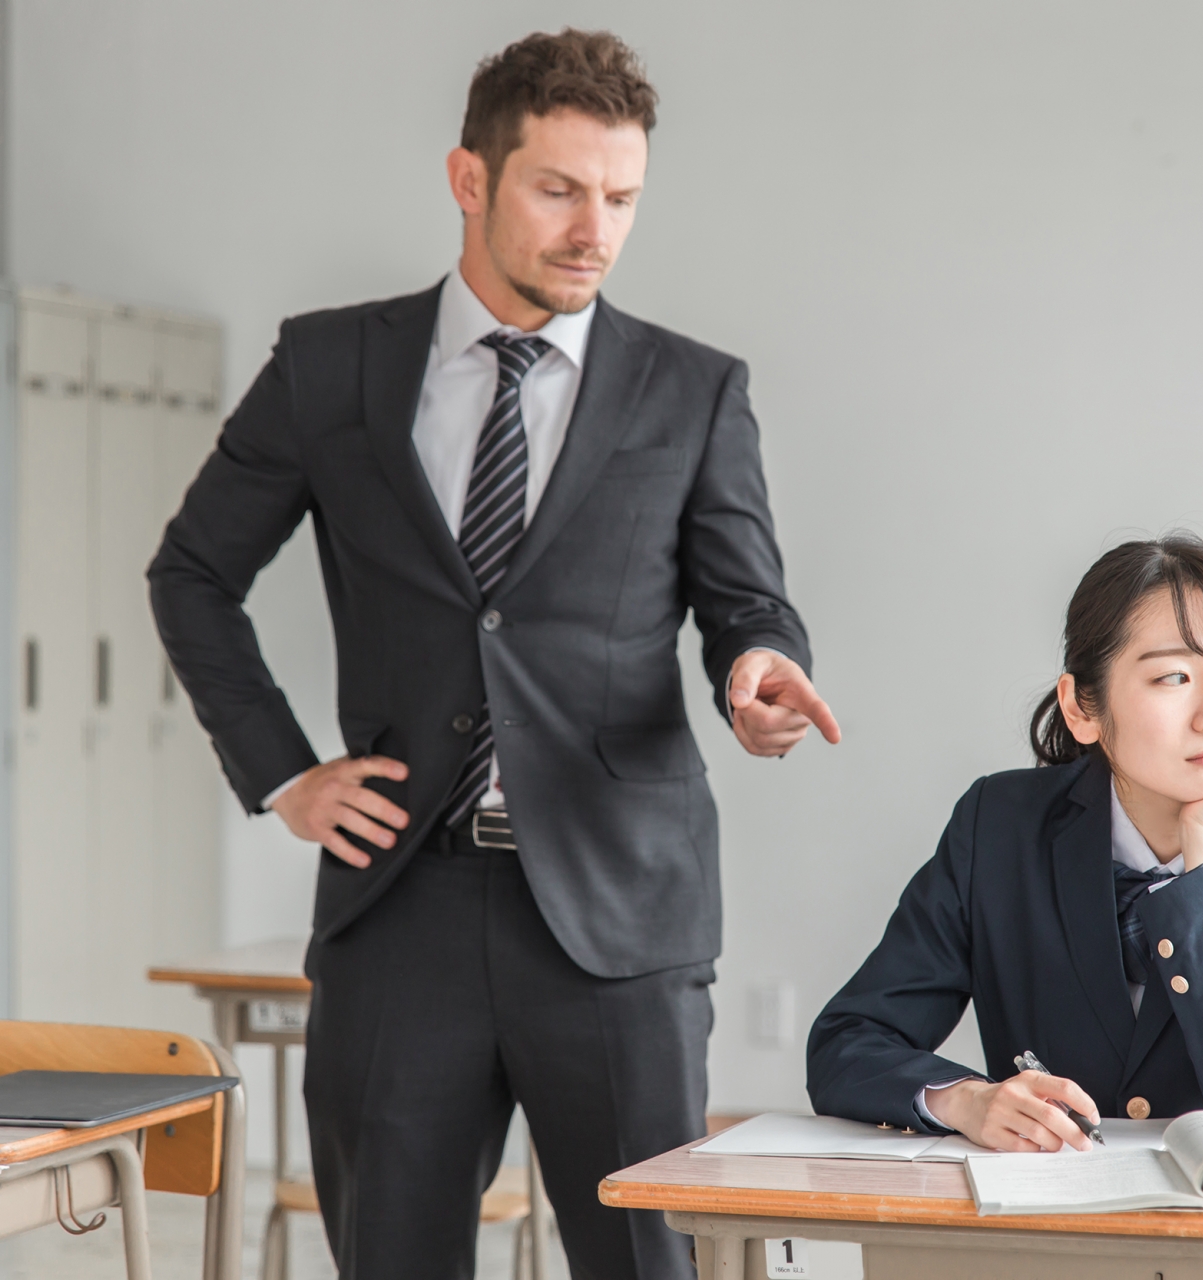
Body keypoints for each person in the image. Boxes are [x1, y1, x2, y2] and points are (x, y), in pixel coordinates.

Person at [148, 29, 839, 1280]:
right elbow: (192, 573)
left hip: (620, 921)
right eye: (559, 189)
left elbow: (747, 604)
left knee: (646, 1265)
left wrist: (756, 673)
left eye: (621, 197)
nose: (596, 229)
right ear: (470, 178)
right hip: (398, 907)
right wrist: (283, 772)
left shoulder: (692, 392)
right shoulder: (329, 367)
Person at [806, 535, 1203, 1150]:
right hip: (1057, 1225)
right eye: (1173, 676)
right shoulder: (999, 825)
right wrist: (963, 1099)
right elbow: (848, 1042)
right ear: (1082, 709)